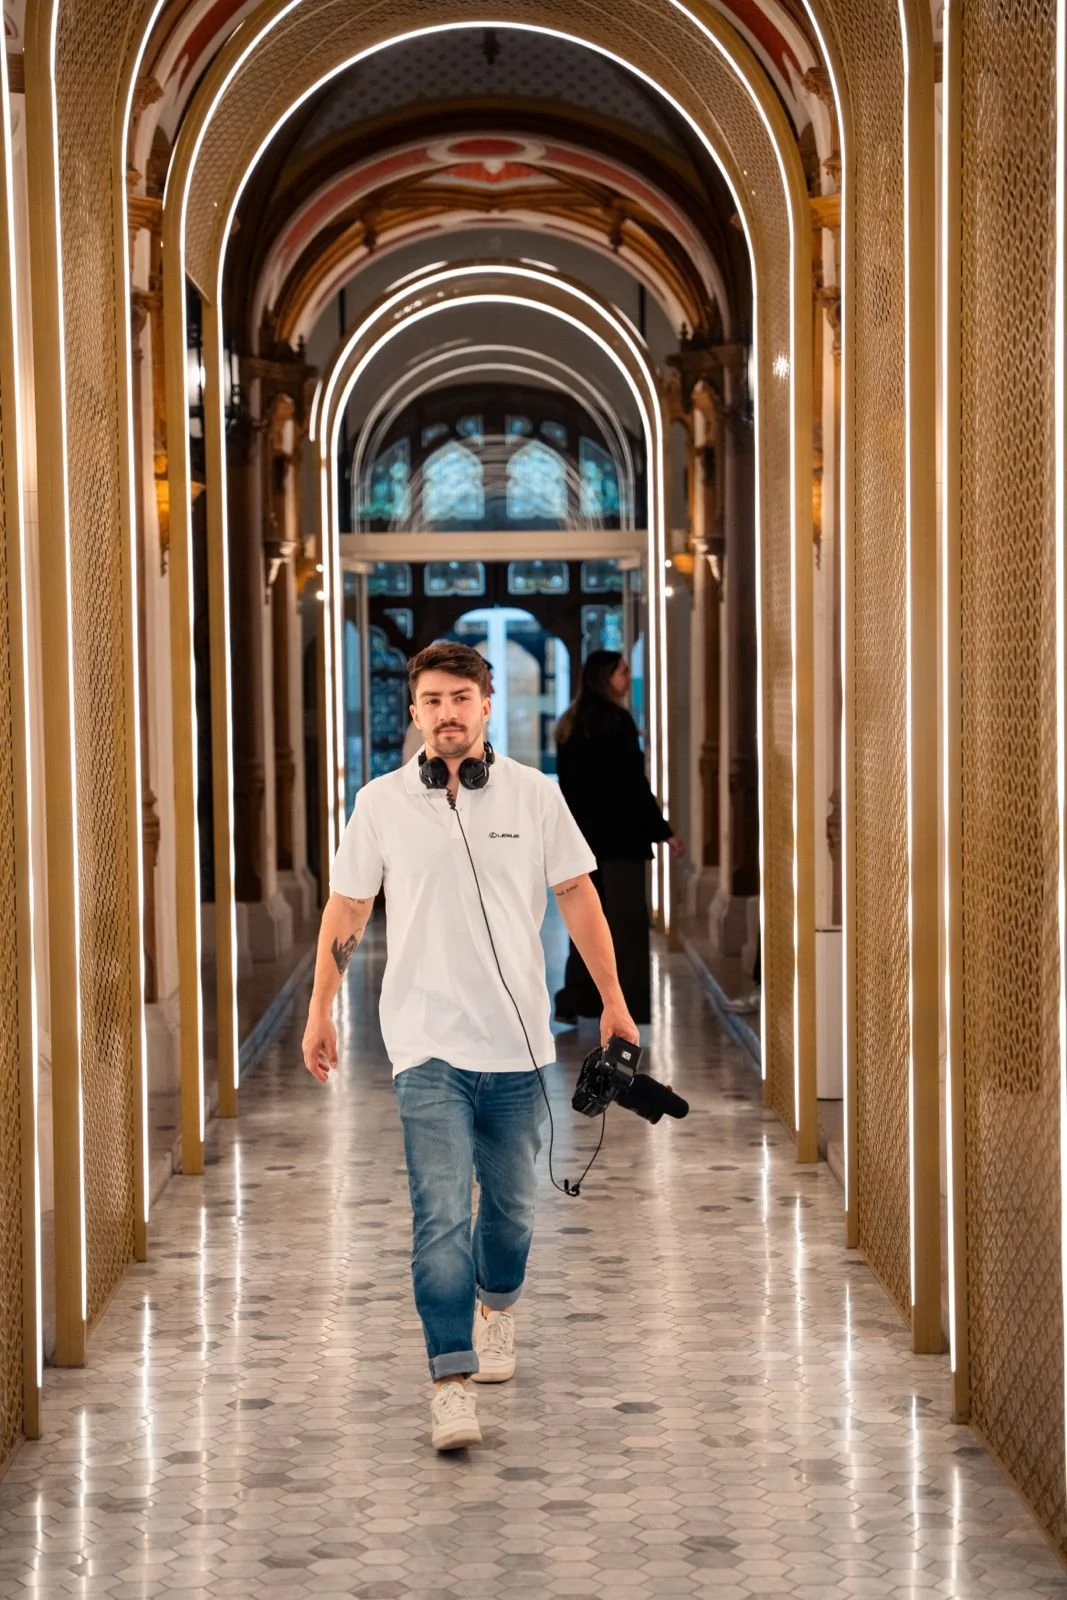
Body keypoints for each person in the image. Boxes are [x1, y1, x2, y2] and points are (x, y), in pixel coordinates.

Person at [301, 641, 638, 1453]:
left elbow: (577, 896)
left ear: (486, 706)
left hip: (517, 1045)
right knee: (441, 1214)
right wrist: (320, 1010)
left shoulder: (534, 795)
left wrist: (615, 1002)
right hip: (424, 1045)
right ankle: (448, 1381)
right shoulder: (379, 803)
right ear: (413, 713)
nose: (446, 713)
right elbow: (347, 911)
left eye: (460, 698)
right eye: (431, 701)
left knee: (514, 1212)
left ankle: (497, 1307)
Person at [553, 649, 685, 1028]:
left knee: (587, 921)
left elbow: (571, 791)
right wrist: (664, 831)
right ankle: (626, 1008)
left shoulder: (569, 724)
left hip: (583, 843)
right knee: (625, 926)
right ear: (604, 677)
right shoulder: (617, 722)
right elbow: (632, 786)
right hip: (620, 843)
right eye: (623, 672)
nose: (628, 678)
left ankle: (574, 998)